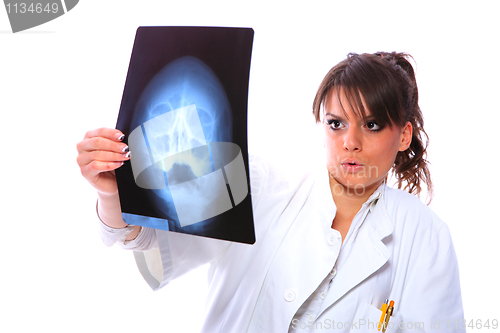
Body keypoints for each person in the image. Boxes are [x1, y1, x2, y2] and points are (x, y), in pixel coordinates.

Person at [76, 52, 465, 332]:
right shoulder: (257, 181)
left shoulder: (425, 236)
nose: (351, 142)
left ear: (404, 136)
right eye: (336, 123)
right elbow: (147, 237)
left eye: (373, 124)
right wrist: (113, 195)